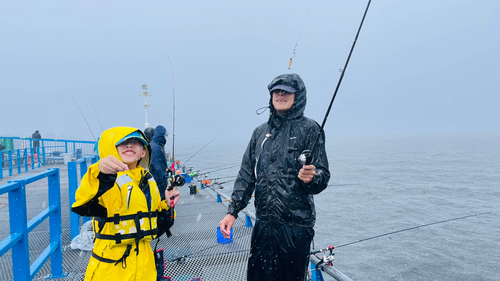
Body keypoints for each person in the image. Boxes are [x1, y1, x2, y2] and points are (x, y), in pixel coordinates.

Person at [219, 73, 330, 281]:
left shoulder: (310, 128)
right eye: (277, 91)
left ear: (298, 96)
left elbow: (323, 175)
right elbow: (246, 175)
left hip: (296, 228)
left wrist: (312, 177)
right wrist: (232, 211)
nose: (281, 94)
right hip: (264, 226)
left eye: (287, 91)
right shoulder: (259, 133)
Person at [71, 127, 180, 281]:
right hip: (111, 268)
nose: (129, 146)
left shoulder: (148, 180)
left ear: (143, 152)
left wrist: (167, 205)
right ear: (113, 149)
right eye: (123, 143)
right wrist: (99, 171)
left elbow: (157, 226)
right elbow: (83, 203)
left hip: (145, 264)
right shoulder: (103, 179)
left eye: (136, 143)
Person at [149, 125, 171, 201]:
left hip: (156, 181)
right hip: (159, 183)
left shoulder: (153, 145)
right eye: (164, 136)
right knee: (163, 204)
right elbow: (157, 167)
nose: (165, 138)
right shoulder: (156, 148)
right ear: (160, 136)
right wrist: (164, 179)